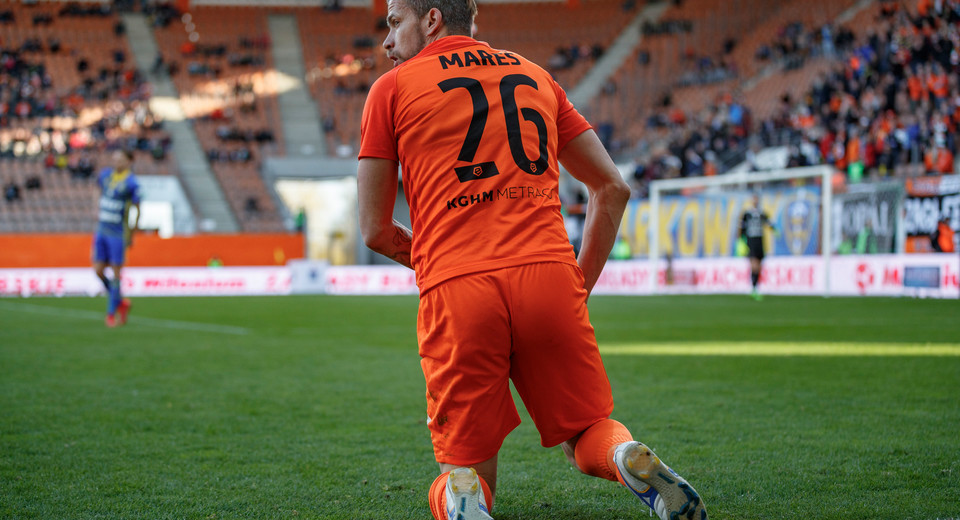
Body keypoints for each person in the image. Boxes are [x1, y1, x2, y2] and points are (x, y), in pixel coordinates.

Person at [356, 2, 707, 520]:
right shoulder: (535, 75)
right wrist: (574, 285)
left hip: (458, 287)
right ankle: (622, 456)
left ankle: (462, 497)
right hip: (547, 276)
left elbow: (375, 229)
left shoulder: (391, 89)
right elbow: (612, 187)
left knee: (467, 470)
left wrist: (440, 260)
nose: (386, 41)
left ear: (431, 20)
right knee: (587, 434)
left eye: (393, 23)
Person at [92, 149, 140, 327]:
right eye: (115, 158)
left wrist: (132, 233)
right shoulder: (105, 176)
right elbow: (97, 191)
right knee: (98, 270)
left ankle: (111, 314)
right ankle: (121, 302)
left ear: (128, 161)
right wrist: (95, 208)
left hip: (117, 233)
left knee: (116, 274)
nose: (116, 162)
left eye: (120, 159)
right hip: (102, 229)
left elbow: (137, 209)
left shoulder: (132, 183)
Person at [739, 193, 777, 300]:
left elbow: (769, 223)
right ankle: (754, 288)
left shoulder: (761, 213)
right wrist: (741, 240)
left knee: (759, 266)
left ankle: (755, 287)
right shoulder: (747, 214)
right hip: (751, 242)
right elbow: (741, 228)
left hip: (760, 242)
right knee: (754, 265)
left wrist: (775, 230)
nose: (755, 201)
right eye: (754, 199)